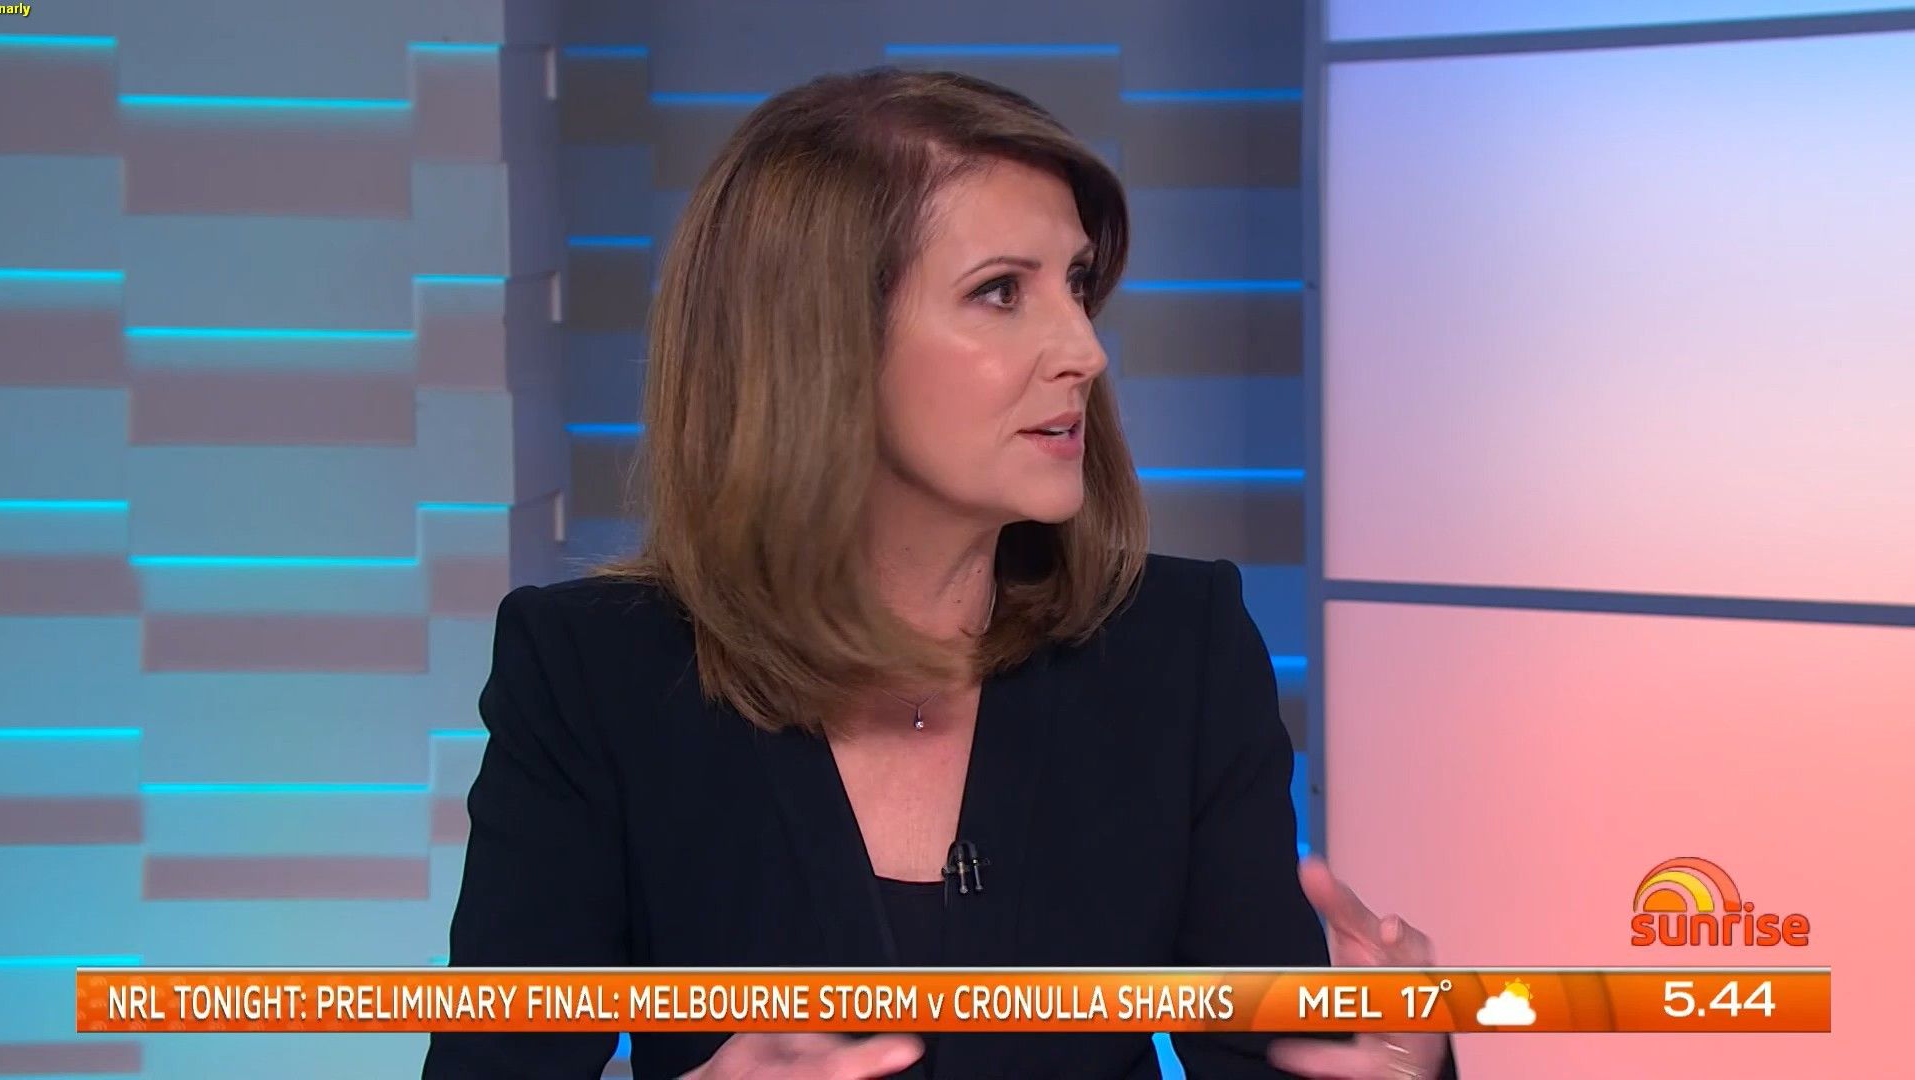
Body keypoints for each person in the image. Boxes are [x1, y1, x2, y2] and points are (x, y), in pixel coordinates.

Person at [422, 67, 1455, 1080]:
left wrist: (1405, 1068)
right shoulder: (589, 677)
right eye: (1001, 292)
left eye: (1077, 285)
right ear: (818, 342)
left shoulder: (1181, 650)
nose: (1085, 350)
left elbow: (1279, 1064)